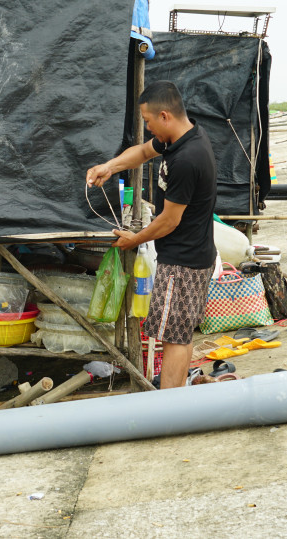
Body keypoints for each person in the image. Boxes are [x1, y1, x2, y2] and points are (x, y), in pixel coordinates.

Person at [85, 80, 216, 389]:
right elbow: (144, 152)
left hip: (183, 261)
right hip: (192, 255)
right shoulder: (179, 138)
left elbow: (169, 221)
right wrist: (109, 166)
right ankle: (175, 400)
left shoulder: (187, 158)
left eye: (148, 121)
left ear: (165, 115)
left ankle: (169, 406)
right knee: (178, 333)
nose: (147, 127)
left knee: (174, 337)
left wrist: (135, 238)